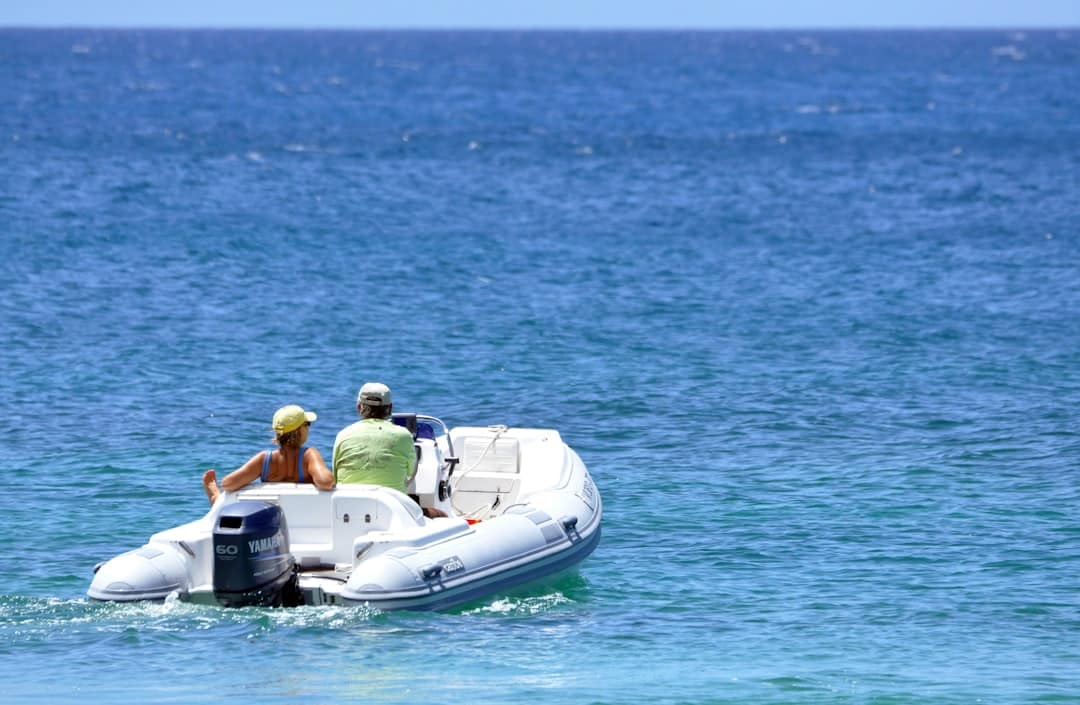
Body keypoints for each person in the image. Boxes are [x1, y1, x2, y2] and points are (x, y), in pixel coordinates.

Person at [333, 382, 445, 518]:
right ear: (389, 409)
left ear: (359, 407)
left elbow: (336, 475)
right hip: (393, 509)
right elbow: (411, 473)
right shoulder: (403, 435)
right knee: (441, 515)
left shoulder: (343, 435)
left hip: (348, 509)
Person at [202, 404, 335, 505]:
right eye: (307, 424)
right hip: (304, 512)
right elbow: (326, 482)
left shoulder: (264, 460)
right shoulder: (309, 455)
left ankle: (217, 499)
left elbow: (228, 484)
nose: (308, 428)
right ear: (299, 430)